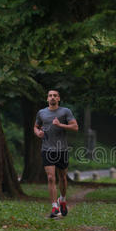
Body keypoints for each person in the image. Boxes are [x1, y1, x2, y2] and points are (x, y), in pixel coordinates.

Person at [34, 89, 78, 218]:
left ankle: (62, 200)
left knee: (62, 178)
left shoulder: (65, 111)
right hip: (47, 149)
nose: (52, 97)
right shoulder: (41, 113)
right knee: (50, 178)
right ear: (47, 99)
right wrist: (38, 133)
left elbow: (75, 127)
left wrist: (60, 125)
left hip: (62, 150)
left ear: (58, 98)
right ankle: (54, 207)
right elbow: (36, 126)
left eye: (55, 96)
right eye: (50, 96)